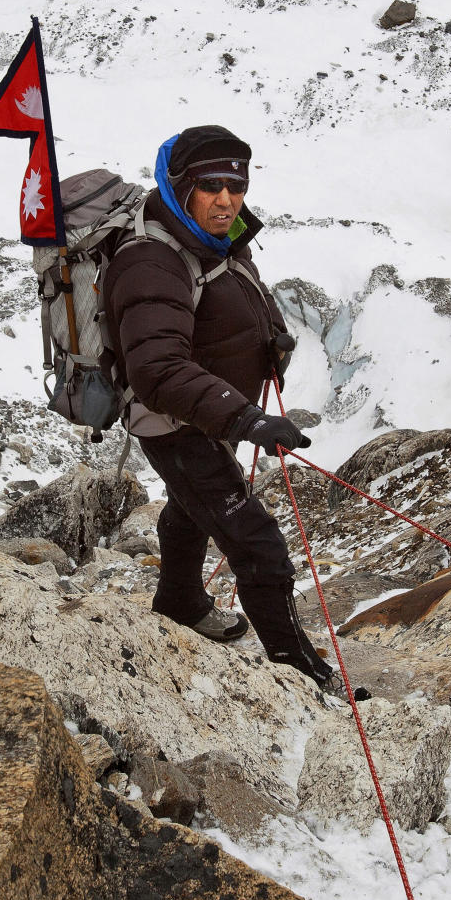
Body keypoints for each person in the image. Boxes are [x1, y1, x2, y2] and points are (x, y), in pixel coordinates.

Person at [104, 123, 341, 692]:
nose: (228, 200)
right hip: (176, 423)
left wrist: (271, 338)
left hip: (210, 412)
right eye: (211, 186)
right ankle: (300, 674)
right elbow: (156, 369)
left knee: (192, 509)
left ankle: (180, 601)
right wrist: (247, 418)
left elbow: (241, 293)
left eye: (237, 185)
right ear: (180, 185)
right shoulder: (150, 260)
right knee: (257, 544)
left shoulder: (218, 235)